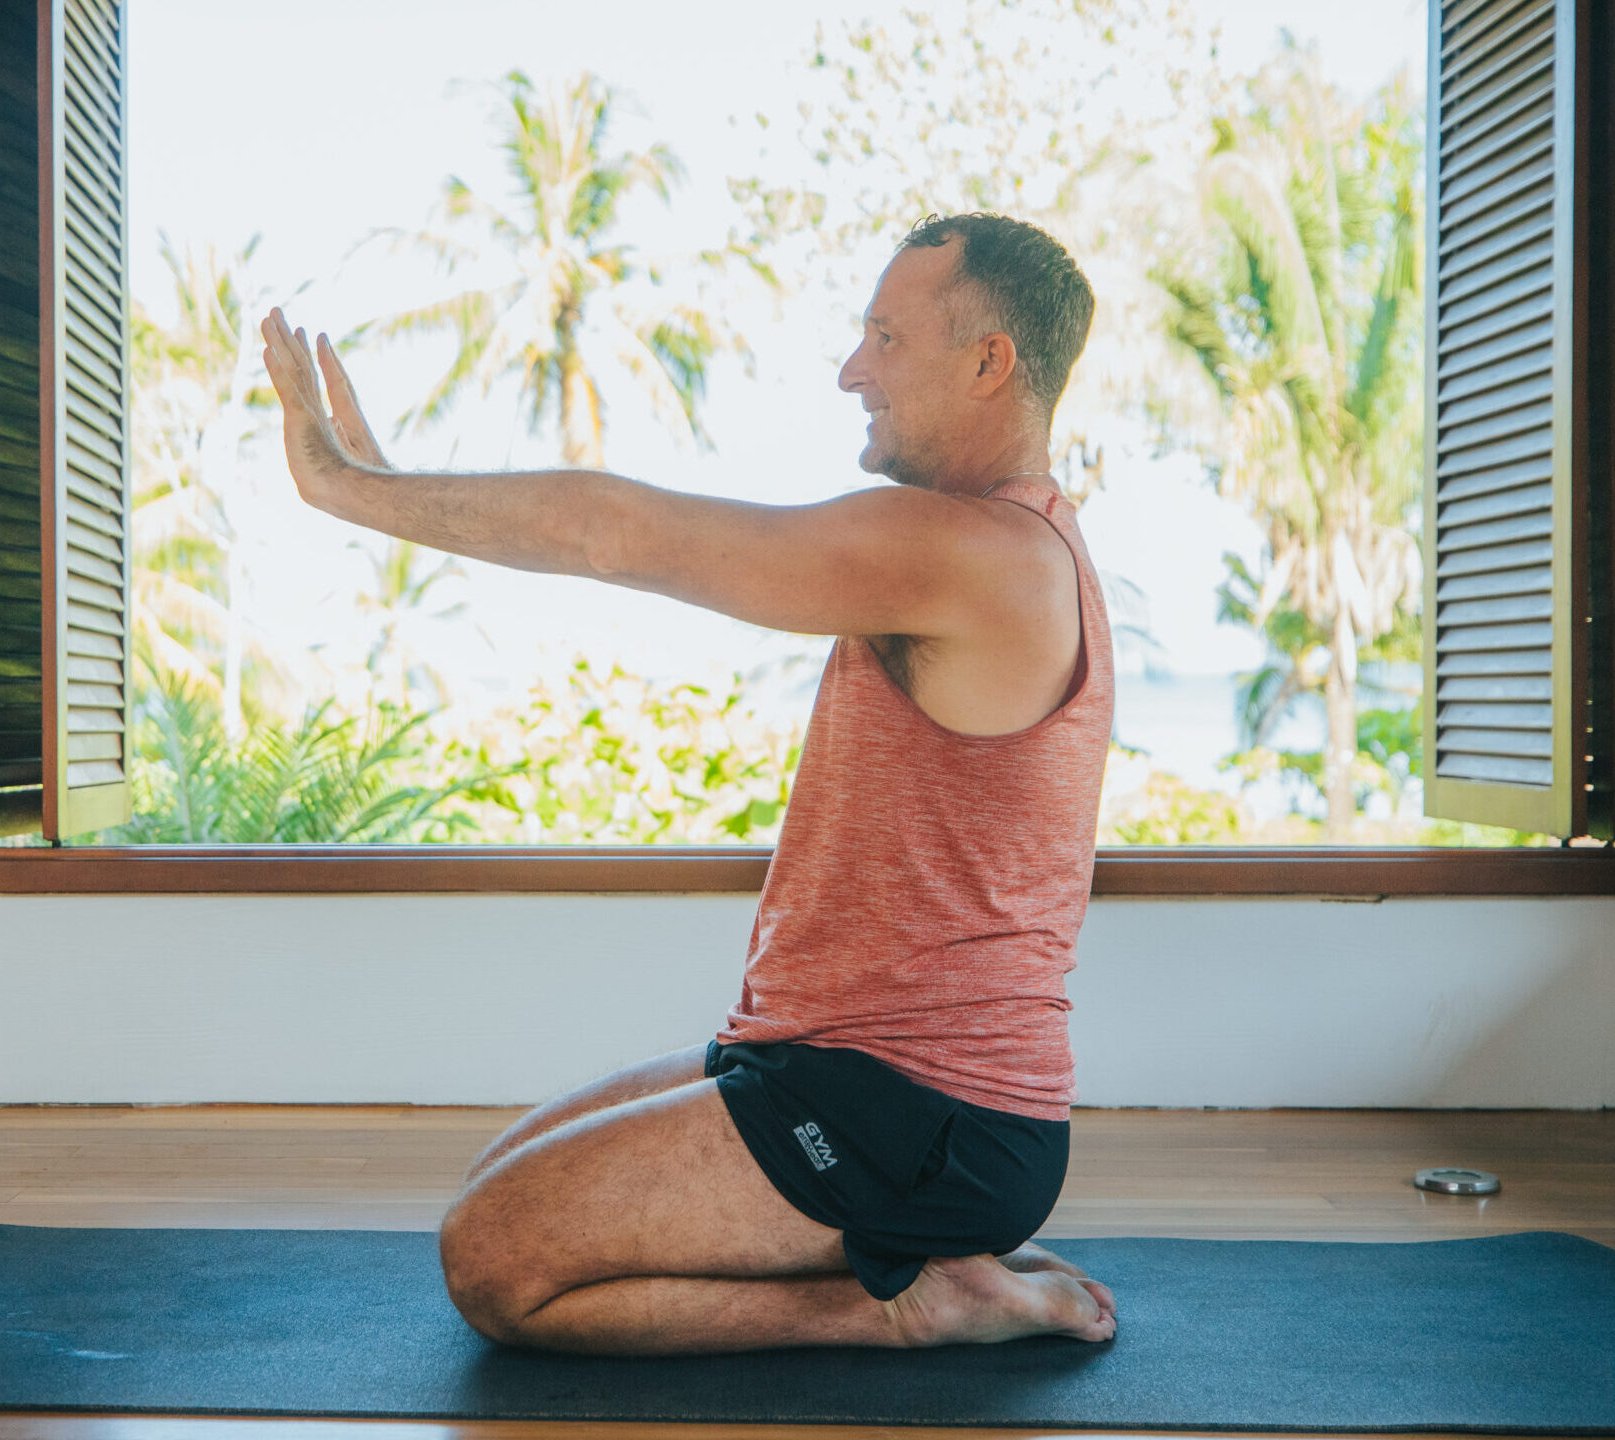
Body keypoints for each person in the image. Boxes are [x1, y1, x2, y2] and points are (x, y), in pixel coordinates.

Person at [256, 211, 1117, 1356]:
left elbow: (620, 533)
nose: (852, 368)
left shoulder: (977, 555)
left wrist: (348, 487)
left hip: (916, 1110)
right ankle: (922, 1258)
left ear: (988, 361)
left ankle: (907, 1306)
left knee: (493, 1263)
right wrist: (385, 475)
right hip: (827, 1063)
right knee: (501, 1185)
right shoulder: (983, 548)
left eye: (884, 338)